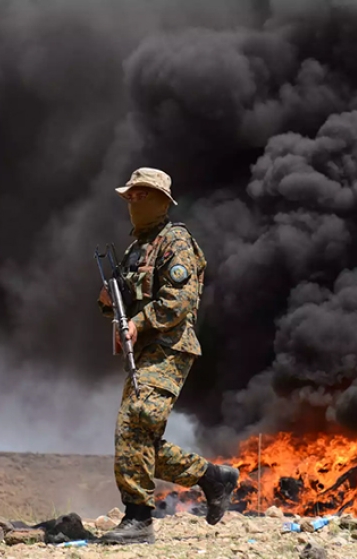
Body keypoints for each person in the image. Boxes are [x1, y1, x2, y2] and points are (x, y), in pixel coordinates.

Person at [96, 167, 240, 545]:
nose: (133, 203)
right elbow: (130, 304)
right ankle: (212, 477)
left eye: (141, 195)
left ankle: (139, 519)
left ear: (161, 199)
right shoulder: (135, 248)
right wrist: (110, 303)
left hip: (169, 349)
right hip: (145, 351)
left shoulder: (175, 242)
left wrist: (138, 322)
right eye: (130, 196)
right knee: (135, 436)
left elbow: (177, 303)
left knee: (135, 424)